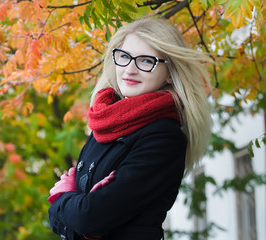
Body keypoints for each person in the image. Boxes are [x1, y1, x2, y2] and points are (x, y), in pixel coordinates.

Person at [47, 16, 212, 240]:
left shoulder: (164, 137)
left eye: (146, 61)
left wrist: (63, 196)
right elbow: (61, 222)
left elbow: (89, 218)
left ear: (171, 74)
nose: (130, 69)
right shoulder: (104, 125)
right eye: (124, 57)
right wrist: (76, 209)